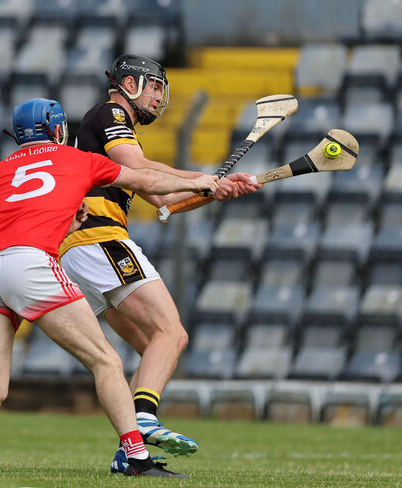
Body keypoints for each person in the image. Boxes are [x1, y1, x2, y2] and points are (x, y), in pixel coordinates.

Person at [0, 98, 220, 478]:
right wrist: (196, 181)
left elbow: (19, 216)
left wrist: (68, 221)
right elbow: (146, 180)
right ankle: (135, 458)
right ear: (56, 129)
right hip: (29, 266)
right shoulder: (77, 158)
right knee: (106, 361)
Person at [59, 54, 262, 471]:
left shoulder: (118, 133)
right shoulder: (110, 112)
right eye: (152, 85)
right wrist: (200, 177)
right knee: (172, 334)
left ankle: (130, 454)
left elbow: (163, 199)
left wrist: (211, 190)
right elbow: (141, 168)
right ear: (129, 83)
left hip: (80, 251)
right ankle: (146, 421)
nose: (157, 95)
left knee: (154, 347)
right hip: (101, 237)